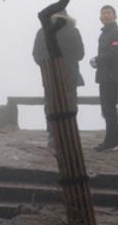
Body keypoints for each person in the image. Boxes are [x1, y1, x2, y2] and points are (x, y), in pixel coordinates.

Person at [32, 10, 85, 147]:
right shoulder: (73, 30)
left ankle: (52, 134)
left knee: (51, 103)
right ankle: (70, 134)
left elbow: (36, 54)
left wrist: (47, 65)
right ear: (67, 16)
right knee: (70, 102)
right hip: (70, 74)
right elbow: (80, 54)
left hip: (50, 73)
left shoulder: (42, 31)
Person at [90, 4, 118, 152]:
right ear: (100, 18)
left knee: (109, 109)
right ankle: (113, 141)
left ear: (115, 16)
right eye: (103, 13)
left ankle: (111, 142)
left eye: (108, 13)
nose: (106, 16)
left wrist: (97, 60)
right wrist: (97, 62)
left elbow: (115, 53)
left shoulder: (117, 33)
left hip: (112, 77)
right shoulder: (104, 34)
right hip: (105, 76)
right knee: (107, 110)